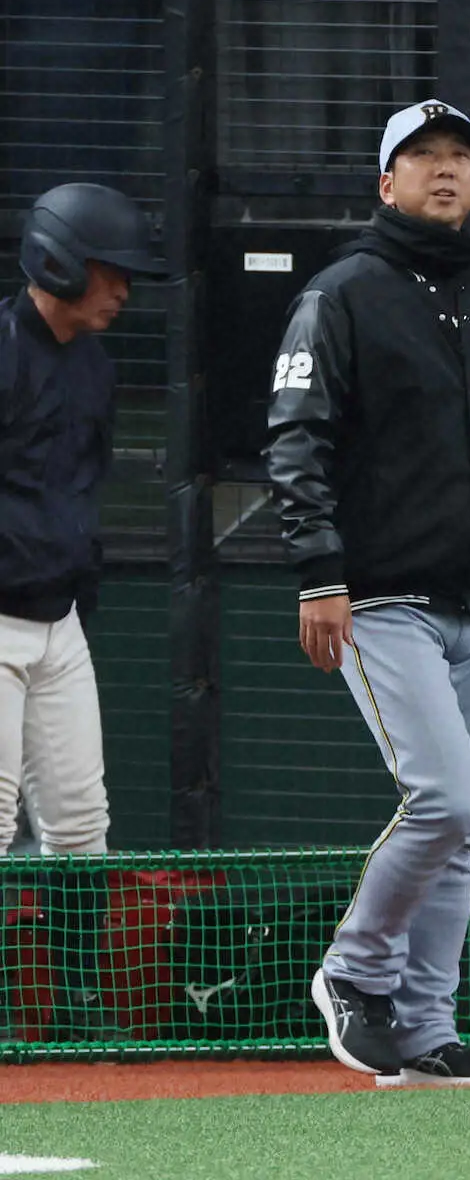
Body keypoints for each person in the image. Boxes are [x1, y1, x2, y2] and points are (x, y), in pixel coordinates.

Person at [265, 99, 470, 1087]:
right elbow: (295, 440)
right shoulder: (341, 295)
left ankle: (421, 1030)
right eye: (421, 156)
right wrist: (319, 573)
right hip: (379, 599)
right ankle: (353, 971)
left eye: (458, 155)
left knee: (459, 827)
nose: (444, 168)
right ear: (386, 182)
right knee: (444, 801)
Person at [0, 182, 166, 1043]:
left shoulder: (94, 366)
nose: (123, 289)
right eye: (110, 271)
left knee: (80, 826)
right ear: (60, 263)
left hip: (58, 620)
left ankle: (66, 1020)